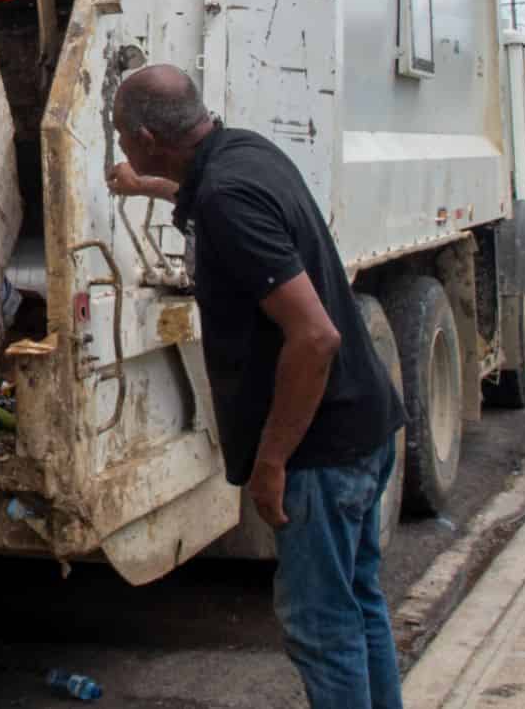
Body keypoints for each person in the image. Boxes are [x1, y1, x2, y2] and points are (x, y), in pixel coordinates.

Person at [110, 64, 407, 709]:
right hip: (364, 423)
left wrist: (272, 461)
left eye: (121, 139)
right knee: (358, 603)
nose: (121, 149)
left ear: (145, 135)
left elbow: (315, 338)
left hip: (319, 450)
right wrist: (148, 188)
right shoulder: (244, 150)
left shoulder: (224, 197)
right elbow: (216, 200)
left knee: (320, 626)